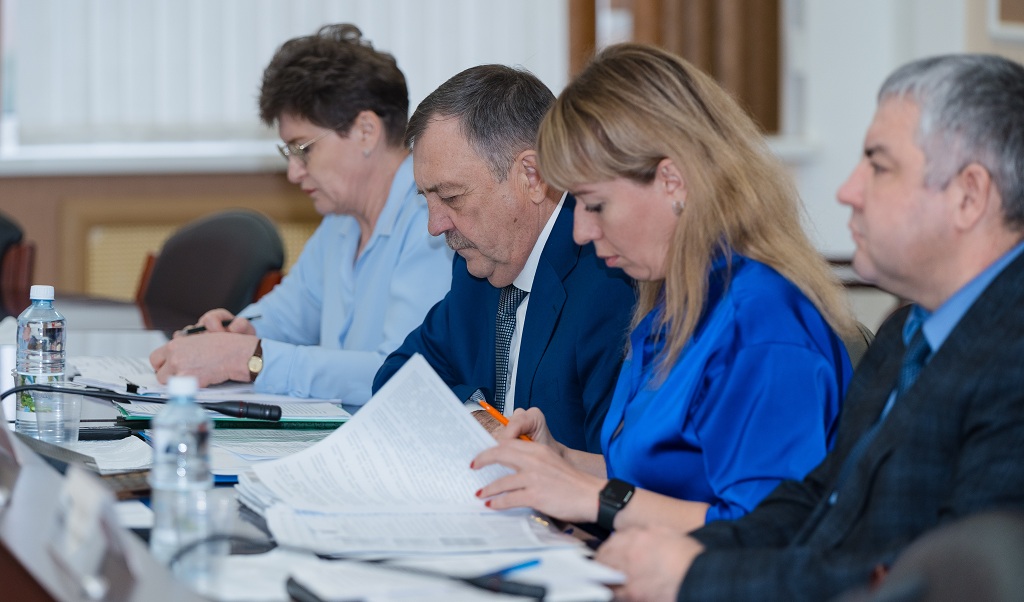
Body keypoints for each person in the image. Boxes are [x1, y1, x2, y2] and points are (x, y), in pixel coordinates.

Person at [594, 53, 1024, 602]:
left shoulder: (1013, 362)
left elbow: (930, 582)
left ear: (969, 196)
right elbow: (818, 502)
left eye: (879, 166)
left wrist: (695, 575)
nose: (848, 190)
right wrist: (689, 553)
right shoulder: (907, 330)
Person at [471, 44, 855, 534]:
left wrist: (590, 497)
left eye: (595, 204)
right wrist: (562, 460)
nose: (581, 231)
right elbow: (666, 481)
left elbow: (766, 532)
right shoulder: (678, 300)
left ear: (673, 182)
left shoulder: (763, 326)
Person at [149, 24, 452, 405]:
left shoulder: (433, 222)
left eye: (303, 148)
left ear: (365, 131)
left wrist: (248, 359)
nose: (294, 172)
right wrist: (234, 334)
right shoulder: (341, 221)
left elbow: (403, 376)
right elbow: (289, 315)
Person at [371, 65, 636, 453]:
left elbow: (617, 462)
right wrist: (479, 420)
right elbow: (396, 379)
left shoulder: (608, 277)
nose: (435, 226)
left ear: (532, 176)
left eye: (451, 197)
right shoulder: (479, 265)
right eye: (426, 199)